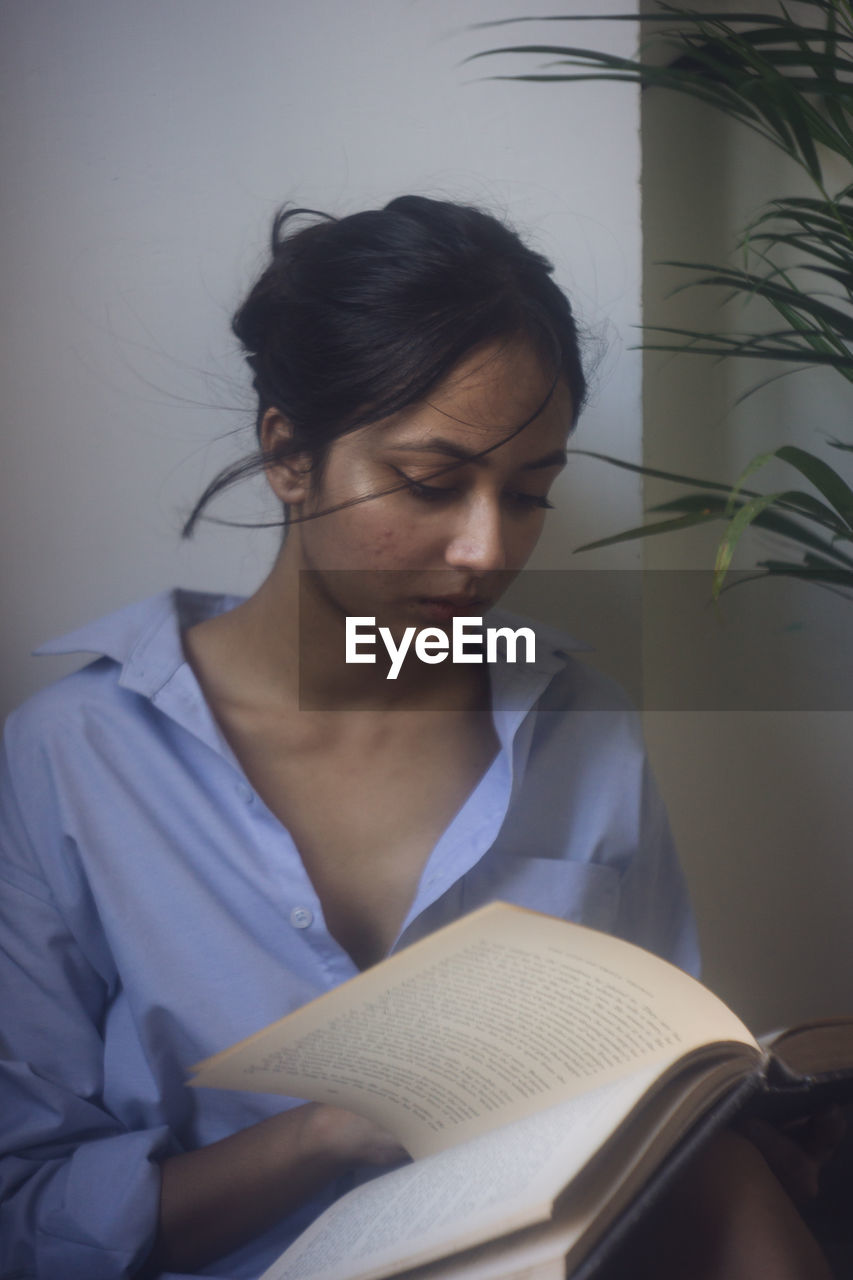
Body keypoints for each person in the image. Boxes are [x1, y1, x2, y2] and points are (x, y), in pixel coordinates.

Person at [0, 196, 833, 1279]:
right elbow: (25, 1210)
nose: (486, 549)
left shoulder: (582, 726)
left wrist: (723, 1123)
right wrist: (334, 1127)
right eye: (431, 484)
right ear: (288, 452)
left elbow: (651, 1084)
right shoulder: (76, 756)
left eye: (529, 494)